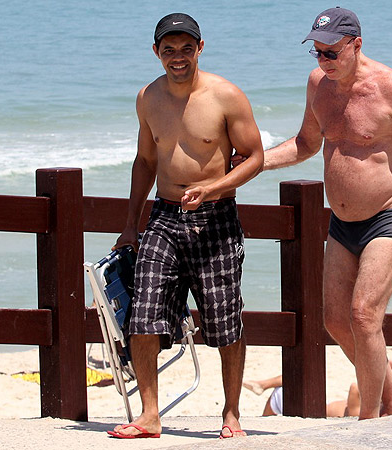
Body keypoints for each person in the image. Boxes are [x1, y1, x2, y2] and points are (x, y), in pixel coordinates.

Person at [233, 7, 392, 419]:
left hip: (391, 212)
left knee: (364, 314)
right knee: (335, 320)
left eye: (331, 52)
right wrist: (255, 164)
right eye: (317, 52)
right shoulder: (318, 84)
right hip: (343, 222)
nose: (323, 61)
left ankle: (370, 421)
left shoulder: (390, 86)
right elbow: (306, 144)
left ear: (356, 45)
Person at [109, 12, 264, 439]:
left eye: (186, 48)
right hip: (163, 216)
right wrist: (130, 224)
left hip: (215, 220)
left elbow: (255, 157)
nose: (177, 57)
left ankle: (231, 414)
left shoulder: (226, 95)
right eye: (168, 49)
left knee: (224, 320)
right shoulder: (147, 97)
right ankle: (150, 415)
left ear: (200, 48)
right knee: (142, 315)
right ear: (156, 52)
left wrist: (215, 187)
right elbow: (145, 161)